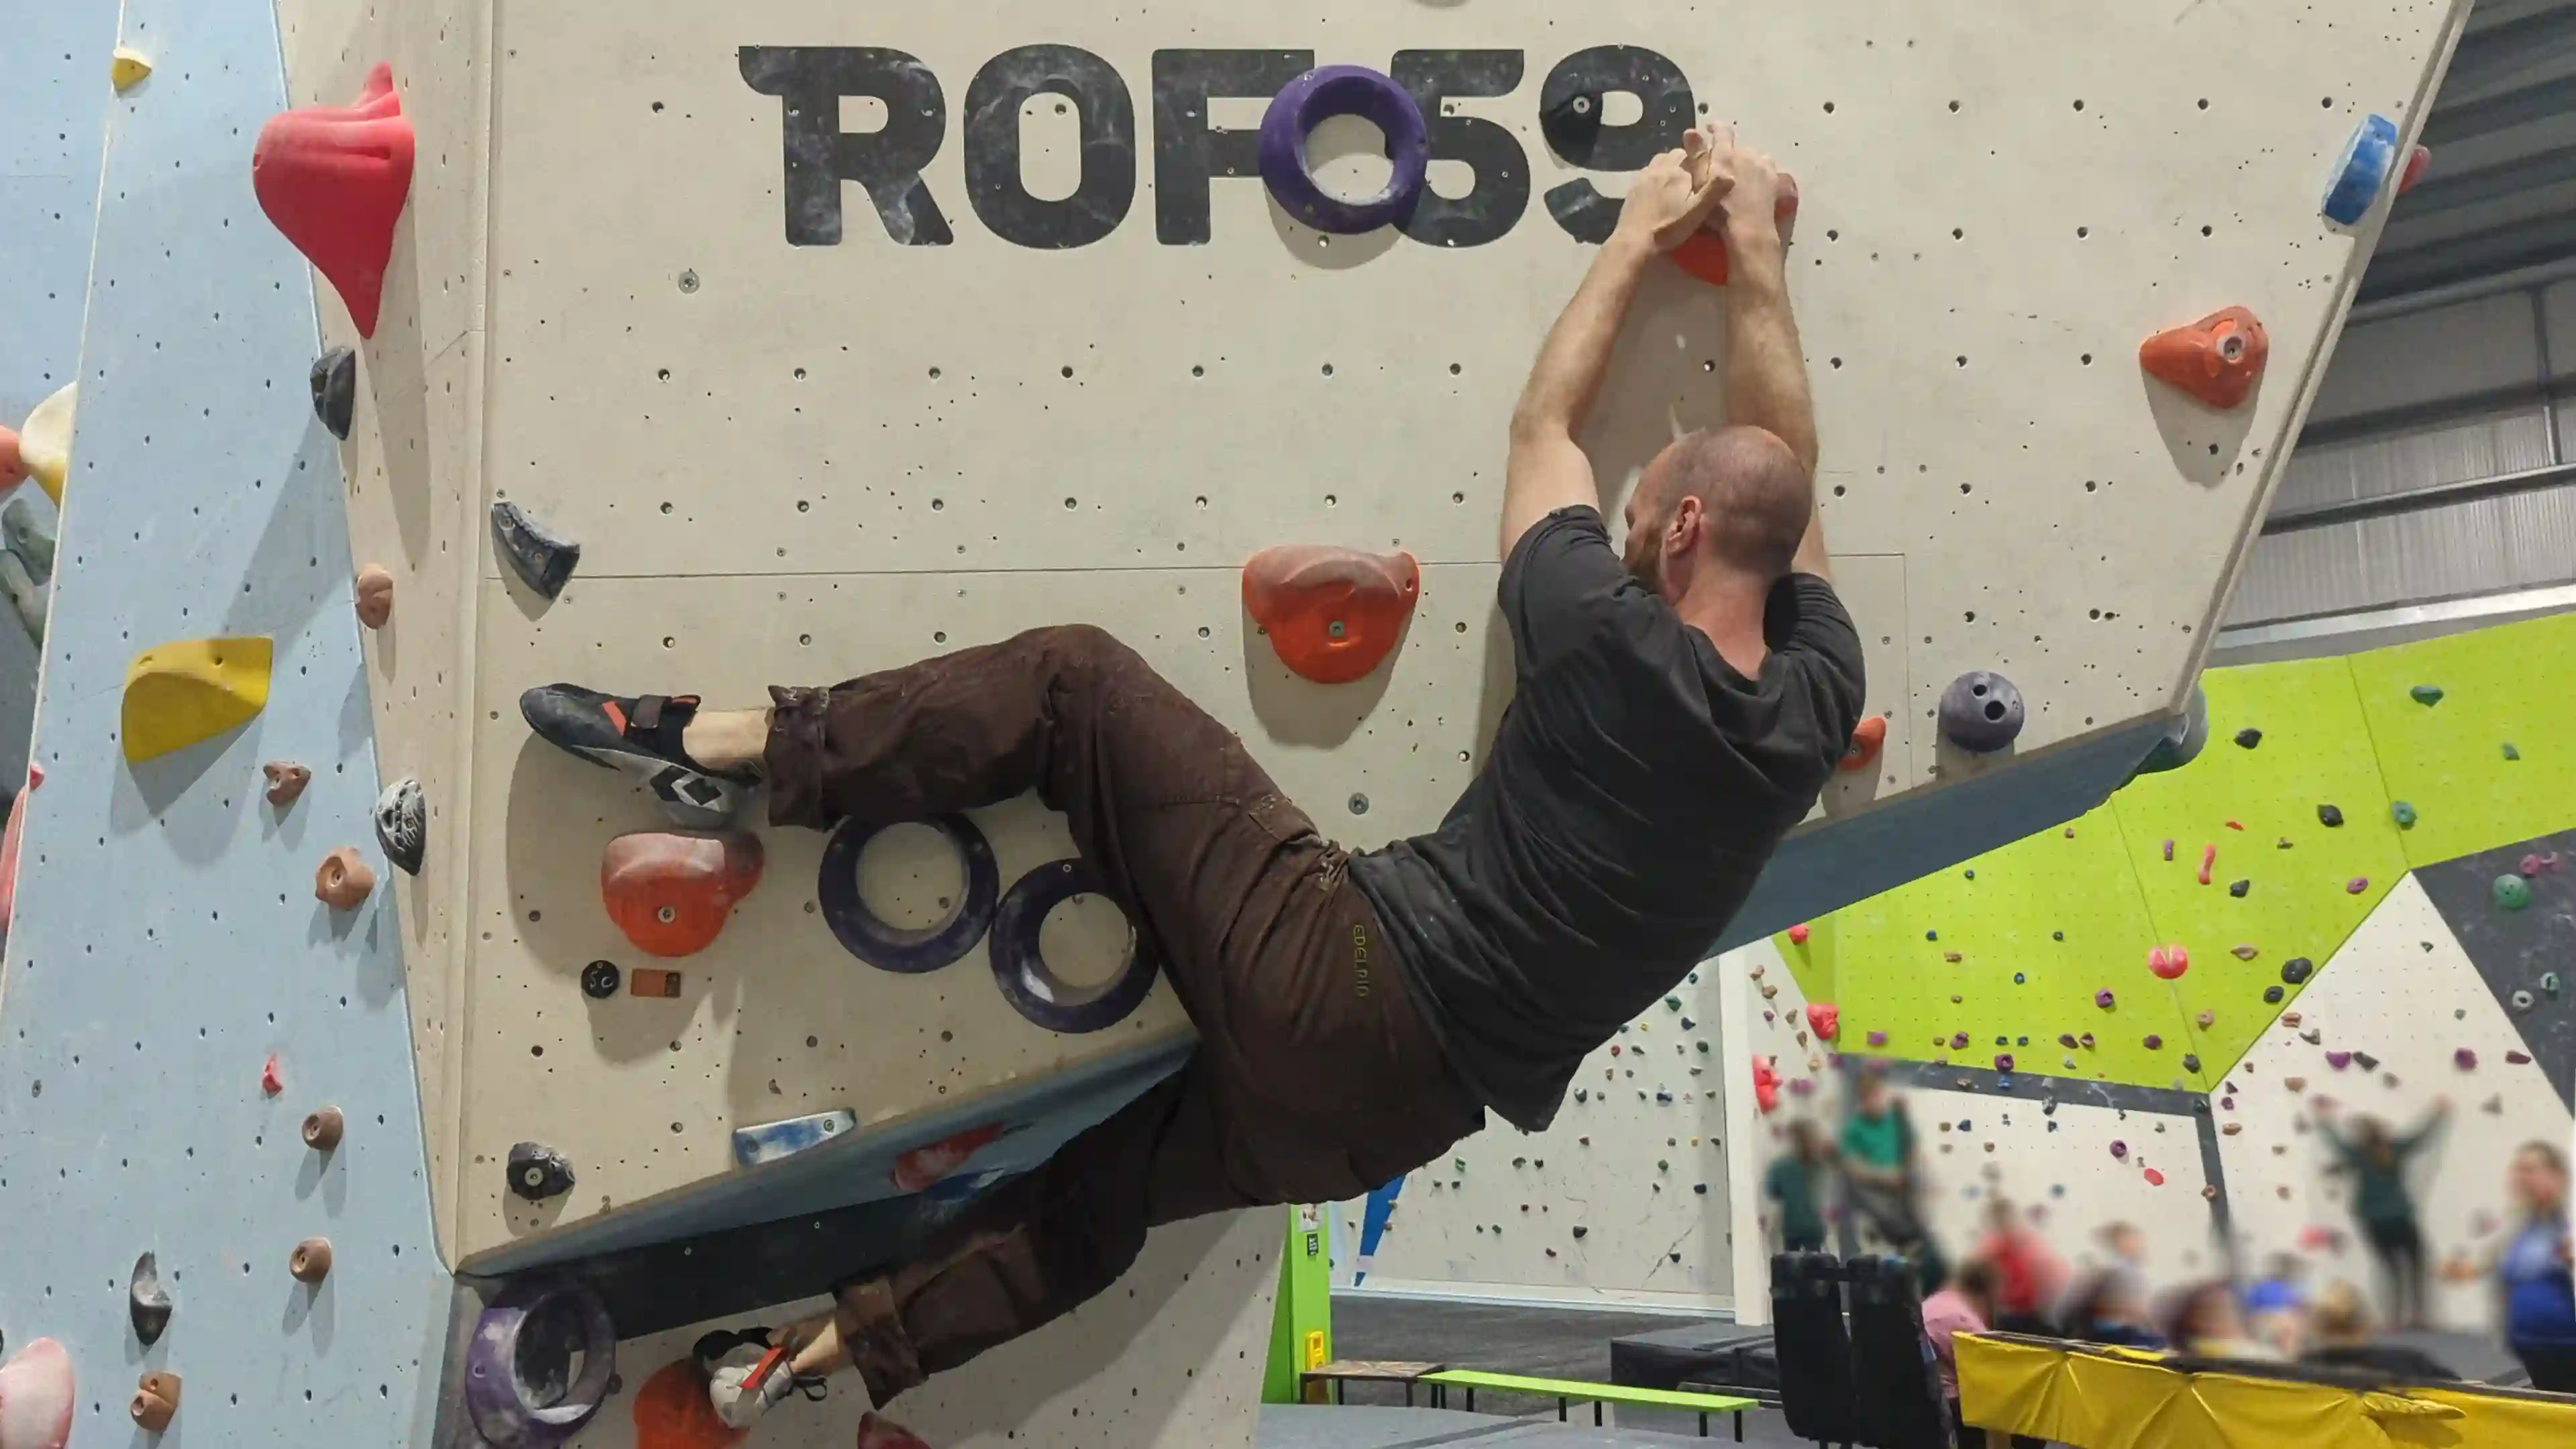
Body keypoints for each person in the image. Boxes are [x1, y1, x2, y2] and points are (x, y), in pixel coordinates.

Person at [519, 123, 1863, 1442]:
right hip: (1395, 1125)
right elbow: (1779, 487)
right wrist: (1755, 252)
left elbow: (1546, 423)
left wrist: (1647, 235)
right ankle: (799, 1362)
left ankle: (730, 745)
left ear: (1682, 528)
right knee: (1098, 1203)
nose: (1623, 534)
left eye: (1645, 524)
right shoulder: (1810, 709)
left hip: (1341, 979)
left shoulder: (1601, 630)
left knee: (1077, 688)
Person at [2317, 1098, 2450, 1329]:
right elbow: (2421, 1137)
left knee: (2392, 1270)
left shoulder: (2356, 1154)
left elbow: (2336, 1144)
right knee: (2416, 1265)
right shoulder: (2395, 1149)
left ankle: (2394, 1319)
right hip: (2400, 1217)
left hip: (2372, 1220)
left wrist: (2324, 1122)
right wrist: (2438, 1114)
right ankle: (2418, 1315)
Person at [1841, 1071, 1945, 1291]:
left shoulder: (1894, 1122)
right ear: (1863, 1100)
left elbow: (1911, 1152)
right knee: (1882, 1257)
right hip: (1875, 1196)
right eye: (1871, 1098)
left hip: (1901, 1193)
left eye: (1879, 1096)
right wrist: (1884, 1175)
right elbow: (1854, 1168)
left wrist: (1913, 1176)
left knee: (1920, 1251)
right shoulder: (1855, 1129)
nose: (1877, 1102)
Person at [2496, 1141, 2576, 1392]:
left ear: (2557, 1175)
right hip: (2532, 1348)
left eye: (2531, 1170)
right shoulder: (2524, 1225)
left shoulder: (2570, 1219)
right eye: (2519, 1170)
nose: (2522, 1178)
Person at [2300, 1281, 2460, 1383]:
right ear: (2367, 1323)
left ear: (2317, 1327)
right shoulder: (2412, 1365)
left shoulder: (2298, 1373)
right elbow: (2463, 1395)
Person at [1920, 1261, 1995, 1434]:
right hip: (1952, 1406)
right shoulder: (1967, 1321)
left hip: (1922, 1397)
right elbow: (1990, 1374)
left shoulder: (1934, 1302)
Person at [1974, 1199, 2065, 1334]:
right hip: (2006, 1314)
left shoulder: (2029, 1247)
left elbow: (2049, 1283)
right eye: (1998, 1222)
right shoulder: (1989, 1250)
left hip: (2029, 1314)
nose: (2003, 1227)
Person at [2158, 1281, 2279, 1360]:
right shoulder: (2258, 1356)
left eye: (2231, 1308)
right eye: (2214, 1310)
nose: (2228, 1315)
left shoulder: (2171, 1357)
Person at [1766, 1119, 1832, 1253]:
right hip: (1814, 1226)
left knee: (1792, 1265)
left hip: (1793, 1226)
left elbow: (1773, 1191)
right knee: (1816, 1265)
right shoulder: (1821, 1165)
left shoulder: (1782, 1166)